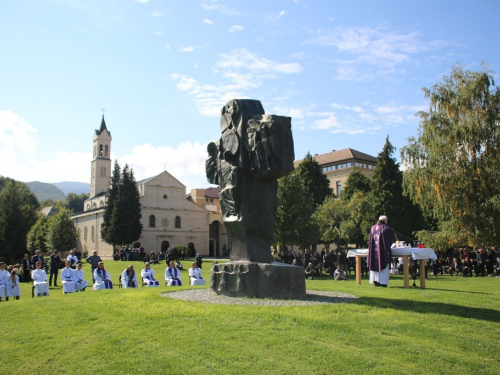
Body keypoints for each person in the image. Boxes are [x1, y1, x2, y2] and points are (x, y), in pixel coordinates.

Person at [368, 215, 395, 287]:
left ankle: (375, 281)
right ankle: (382, 282)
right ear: (385, 221)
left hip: (374, 252)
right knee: (383, 263)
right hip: (382, 252)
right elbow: (391, 239)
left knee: (375, 263)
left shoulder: (372, 228)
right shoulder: (387, 228)